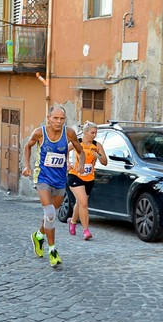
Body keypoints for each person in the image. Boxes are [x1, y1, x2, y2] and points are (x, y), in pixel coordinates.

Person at [22, 105, 85, 267]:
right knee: (50, 214)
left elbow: (80, 150)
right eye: (55, 118)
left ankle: (38, 235)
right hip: (42, 177)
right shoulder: (40, 132)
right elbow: (28, 146)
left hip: (59, 180)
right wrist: (27, 166)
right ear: (48, 118)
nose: (58, 121)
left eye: (62, 118)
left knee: (51, 216)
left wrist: (81, 164)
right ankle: (52, 250)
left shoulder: (69, 133)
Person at [66, 121, 107, 240]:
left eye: (95, 133)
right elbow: (63, 152)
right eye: (92, 132)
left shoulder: (97, 145)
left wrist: (98, 156)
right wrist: (67, 163)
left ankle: (73, 222)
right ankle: (86, 231)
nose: (94, 135)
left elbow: (105, 162)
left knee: (80, 202)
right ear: (85, 132)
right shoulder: (77, 143)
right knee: (84, 202)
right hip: (75, 175)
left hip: (89, 178)